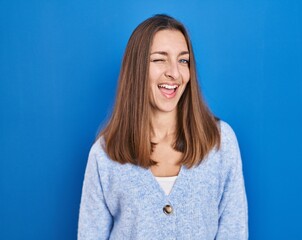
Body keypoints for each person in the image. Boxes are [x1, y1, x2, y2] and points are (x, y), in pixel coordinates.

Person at [78, 14, 248, 239]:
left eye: (183, 60)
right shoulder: (104, 154)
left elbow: (234, 232)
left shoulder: (220, 142)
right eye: (160, 59)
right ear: (137, 68)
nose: (174, 73)